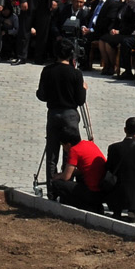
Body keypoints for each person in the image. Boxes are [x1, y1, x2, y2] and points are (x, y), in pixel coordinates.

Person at [37, 40, 87, 177]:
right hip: (70, 115)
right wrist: (84, 89)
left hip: (53, 114)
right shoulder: (76, 74)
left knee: (52, 154)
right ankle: (66, 186)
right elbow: (80, 100)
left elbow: (41, 95)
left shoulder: (47, 70)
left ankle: (51, 186)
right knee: (70, 154)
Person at [48, 125, 106, 211]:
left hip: (92, 192)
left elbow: (66, 177)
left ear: (68, 144)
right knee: (76, 174)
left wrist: (57, 176)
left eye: (62, 145)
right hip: (103, 190)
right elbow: (86, 168)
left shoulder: (74, 150)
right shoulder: (89, 143)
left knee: (57, 184)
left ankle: (84, 205)